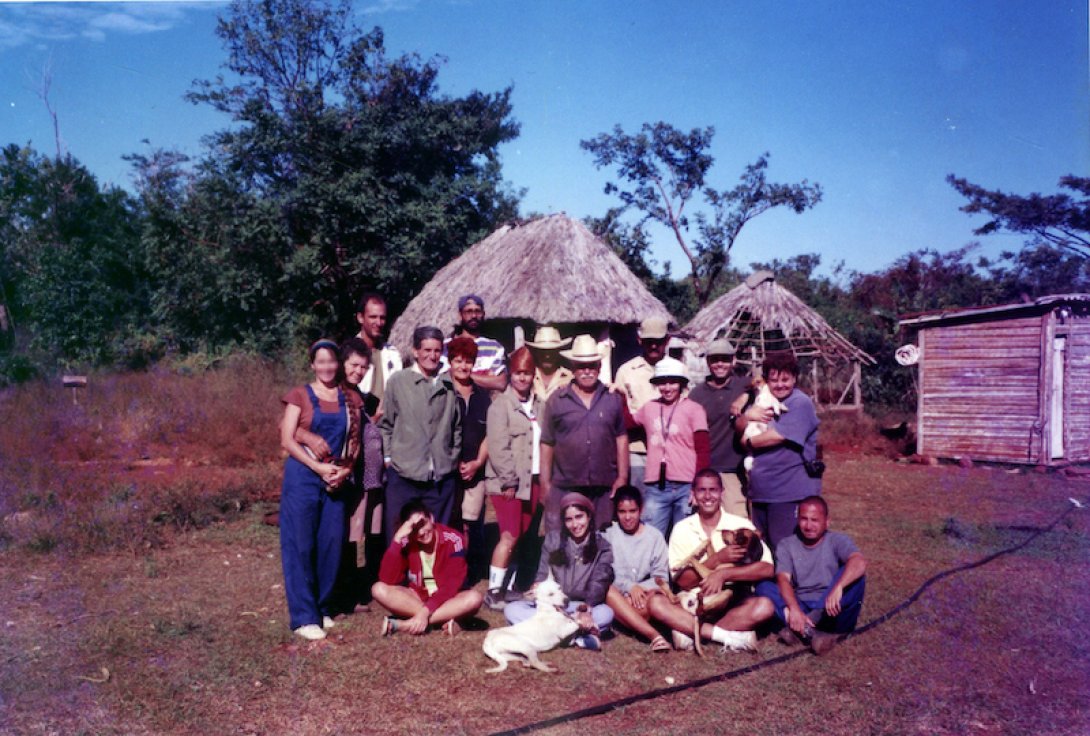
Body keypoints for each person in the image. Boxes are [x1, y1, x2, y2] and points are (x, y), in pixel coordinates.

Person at [278, 339, 363, 640]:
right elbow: (287, 440)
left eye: (332, 361)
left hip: (335, 478)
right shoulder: (299, 395)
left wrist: (345, 471)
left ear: (337, 364)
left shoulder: (350, 398)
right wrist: (318, 468)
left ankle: (322, 608)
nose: (327, 367)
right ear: (313, 364)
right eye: (321, 361)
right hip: (303, 476)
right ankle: (303, 617)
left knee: (331, 543)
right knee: (301, 544)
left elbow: (355, 441)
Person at [295, 337, 384, 615]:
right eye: (354, 365)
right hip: (339, 476)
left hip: (360, 477)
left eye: (364, 367)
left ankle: (356, 588)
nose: (358, 371)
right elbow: (294, 427)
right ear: (341, 364)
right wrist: (306, 436)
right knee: (342, 538)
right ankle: (340, 595)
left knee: (358, 536)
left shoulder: (359, 396)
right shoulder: (328, 393)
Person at [647, 469, 774, 652]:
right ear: (693, 494)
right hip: (692, 603)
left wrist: (724, 574)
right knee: (656, 604)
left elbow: (767, 568)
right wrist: (716, 560)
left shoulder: (741, 525)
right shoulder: (682, 528)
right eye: (701, 490)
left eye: (713, 490)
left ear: (722, 493)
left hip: (731, 603)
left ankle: (690, 630)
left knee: (765, 606)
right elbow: (682, 581)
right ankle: (725, 635)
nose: (707, 496)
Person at [539, 334, 629, 533]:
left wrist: (622, 477)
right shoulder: (557, 400)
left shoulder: (612, 398)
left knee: (602, 538)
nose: (587, 371)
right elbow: (547, 442)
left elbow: (621, 438)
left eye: (592, 365)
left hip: (604, 486)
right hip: (566, 485)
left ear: (599, 367)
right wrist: (545, 482)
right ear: (572, 368)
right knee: (564, 540)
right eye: (581, 366)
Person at [379, 325, 462, 538]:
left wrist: (451, 459)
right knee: (399, 535)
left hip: (440, 478)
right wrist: (389, 458)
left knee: (436, 536)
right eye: (426, 350)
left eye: (437, 351)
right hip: (403, 474)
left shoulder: (448, 385)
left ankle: (428, 573)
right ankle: (398, 573)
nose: (432, 356)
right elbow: (386, 424)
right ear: (415, 351)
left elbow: (456, 426)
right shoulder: (398, 381)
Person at [504, 492, 615, 651]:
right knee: (512, 610)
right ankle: (576, 637)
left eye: (579, 517)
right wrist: (538, 587)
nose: (575, 524)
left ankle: (552, 634)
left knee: (606, 614)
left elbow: (598, 583)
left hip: (580, 606)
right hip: (554, 606)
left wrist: (585, 610)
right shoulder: (553, 540)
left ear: (589, 516)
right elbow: (542, 576)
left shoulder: (602, 546)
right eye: (569, 519)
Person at [757, 496, 866, 655]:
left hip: (832, 610)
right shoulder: (787, 545)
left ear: (827, 521)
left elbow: (859, 561)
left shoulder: (837, 540)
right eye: (804, 519)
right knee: (764, 586)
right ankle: (810, 633)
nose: (808, 526)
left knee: (855, 575)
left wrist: (838, 587)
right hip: (803, 609)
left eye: (814, 520)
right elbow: (783, 578)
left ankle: (803, 627)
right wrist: (794, 609)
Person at [735, 351, 821, 551]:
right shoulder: (761, 400)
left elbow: (777, 436)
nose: (780, 385)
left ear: (795, 378)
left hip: (788, 492)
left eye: (786, 379)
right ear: (766, 381)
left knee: (785, 550)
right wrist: (747, 416)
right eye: (774, 380)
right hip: (761, 490)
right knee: (762, 550)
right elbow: (738, 424)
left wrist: (747, 442)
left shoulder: (799, 403)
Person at [482, 347, 542, 610]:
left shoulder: (540, 405)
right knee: (509, 534)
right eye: (518, 373)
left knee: (523, 534)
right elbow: (498, 447)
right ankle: (493, 590)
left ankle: (512, 585)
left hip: (534, 481)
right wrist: (508, 481)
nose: (522, 379)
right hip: (509, 483)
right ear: (510, 374)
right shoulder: (500, 406)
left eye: (527, 374)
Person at [372, 500, 483, 636]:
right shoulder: (407, 541)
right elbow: (388, 579)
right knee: (378, 589)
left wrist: (425, 612)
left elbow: (451, 585)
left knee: (474, 598)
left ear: (431, 518)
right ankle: (449, 619)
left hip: (448, 598)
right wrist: (397, 540)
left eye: (422, 524)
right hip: (418, 596)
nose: (421, 532)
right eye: (414, 529)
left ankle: (406, 624)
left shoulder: (454, 540)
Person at [630, 356, 710, 539]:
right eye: (662, 383)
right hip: (656, 486)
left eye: (673, 382)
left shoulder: (694, 409)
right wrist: (617, 394)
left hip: (686, 485)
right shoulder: (649, 407)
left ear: (681, 384)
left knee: (686, 538)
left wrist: (699, 487)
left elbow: (703, 450)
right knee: (651, 537)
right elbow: (627, 422)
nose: (667, 388)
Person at [602, 486, 672, 652]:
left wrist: (639, 589)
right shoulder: (608, 535)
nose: (627, 517)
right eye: (622, 512)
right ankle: (654, 635)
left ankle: (632, 623)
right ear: (616, 512)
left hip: (644, 597)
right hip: (619, 597)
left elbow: (661, 577)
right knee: (608, 592)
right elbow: (605, 573)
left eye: (632, 511)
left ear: (641, 509)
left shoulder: (654, 536)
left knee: (654, 603)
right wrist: (629, 587)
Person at [687, 338, 751, 518]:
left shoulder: (744, 384)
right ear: (707, 362)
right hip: (707, 469)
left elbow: (764, 380)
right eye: (715, 360)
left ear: (733, 361)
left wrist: (745, 396)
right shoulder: (697, 394)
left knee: (738, 522)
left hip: (734, 470)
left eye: (725, 359)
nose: (720, 364)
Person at [447, 335, 490, 582]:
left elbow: (489, 434)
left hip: (475, 468)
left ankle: (469, 572)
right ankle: (450, 570)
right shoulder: (442, 390)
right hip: (448, 469)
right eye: (458, 361)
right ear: (450, 362)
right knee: (449, 521)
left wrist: (477, 463)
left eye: (468, 361)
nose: (463, 366)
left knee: (471, 523)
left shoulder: (482, 396)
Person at [614, 317, 669, 485]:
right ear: (640, 340)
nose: (653, 346)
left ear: (667, 340)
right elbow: (620, 413)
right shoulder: (626, 371)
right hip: (637, 450)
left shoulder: (678, 369)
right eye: (649, 341)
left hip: (670, 451)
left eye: (658, 342)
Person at [441, 294, 507, 392]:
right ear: (460, 315)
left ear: (483, 314)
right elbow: (441, 378)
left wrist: (459, 373)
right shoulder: (445, 347)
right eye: (469, 311)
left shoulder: (495, 348)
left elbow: (500, 383)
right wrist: (484, 376)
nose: (474, 316)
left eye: (478, 311)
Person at [354, 292, 402, 417]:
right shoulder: (349, 354)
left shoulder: (393, 354)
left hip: (388, 424)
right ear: (360, 318)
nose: (378, 322)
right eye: (373, 317)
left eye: (382, 318)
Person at [525, 325, 573, 401]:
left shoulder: (570, 378)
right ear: (536, 352)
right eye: (543, 351)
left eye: (551, 351)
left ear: (558, 351)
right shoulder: (527, 377)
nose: (547, 356)